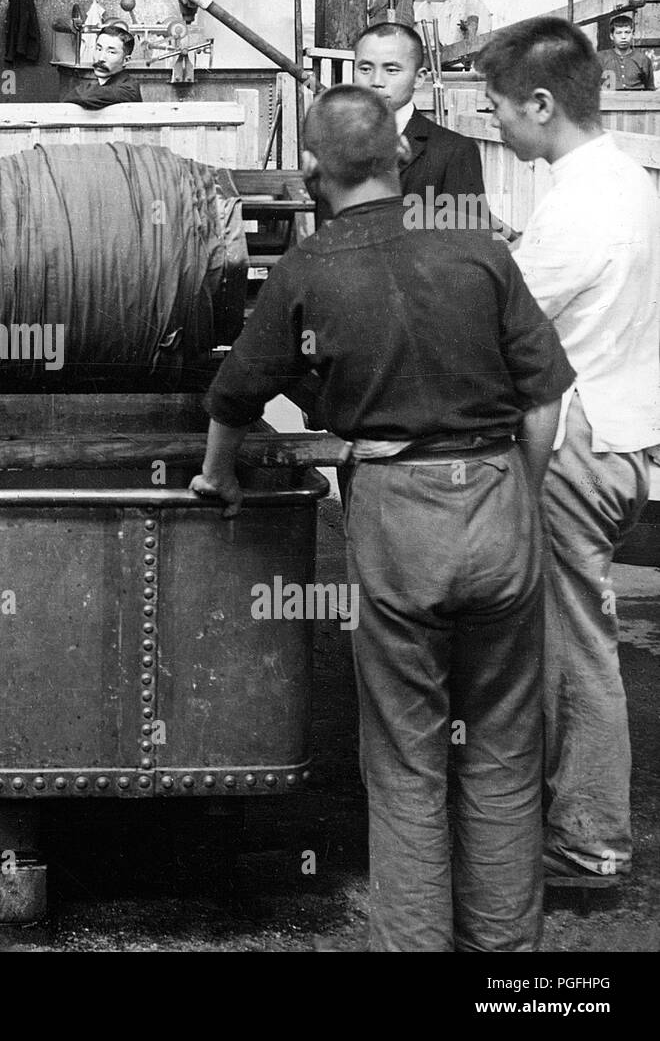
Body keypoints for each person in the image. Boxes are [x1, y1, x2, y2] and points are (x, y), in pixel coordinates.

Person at [191, 85, 573, 951]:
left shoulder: (309, 266)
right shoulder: (479, 249)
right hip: (498, 501)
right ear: (400, 157)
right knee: (505, 757)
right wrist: (516, 492)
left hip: (398, 517)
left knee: (406, 764)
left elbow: (235, 391)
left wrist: (219, 475)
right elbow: (545, 399)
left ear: (313, 170)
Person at [478, 17, 660, 890]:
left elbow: (498, 320)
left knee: (576, 637)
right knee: (561, 632)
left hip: (578, 441)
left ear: (542, 103)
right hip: (621, 425)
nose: (497, 125)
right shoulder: (626, 180)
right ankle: (557, 816)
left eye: (501, 110)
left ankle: (591, 841)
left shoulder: (582, 206)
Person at [352, 22, 503, 230]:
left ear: (419, 78)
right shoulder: (335, 145)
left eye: (392, 70)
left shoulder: (454, 152)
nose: (376, 81)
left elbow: (468, 247)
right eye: (365, 68)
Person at [61, 22, 143, 108]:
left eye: (111, 52)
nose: (101, 58)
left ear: (125, 60)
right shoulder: (98, 85)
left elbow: (84, 97)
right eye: (99, 49)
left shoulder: (128, 89)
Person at [596, 13, 655, 91]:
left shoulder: (643, 60)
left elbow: (650, 89)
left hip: (637, 101)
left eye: (627, 32)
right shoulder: (600, 58)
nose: (623, 37)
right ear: (611, 36)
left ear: (633, 34)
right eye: (619, 33)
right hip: (609, 101)